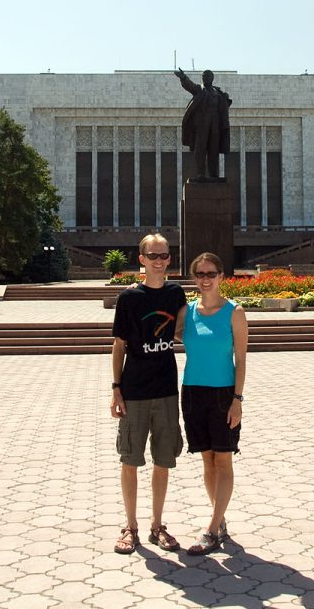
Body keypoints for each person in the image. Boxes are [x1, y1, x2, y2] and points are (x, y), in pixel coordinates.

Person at [110, 233, 188, 554]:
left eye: (164, 255)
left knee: (163, 460)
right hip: (135, 391)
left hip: (167, 389)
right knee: (130, 459)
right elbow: (119, 346)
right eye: (152, 255)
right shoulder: (129, 299)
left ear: (169, 259)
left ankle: (158, 525)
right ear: (141, 260)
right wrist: (116, 389)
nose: (159, 260)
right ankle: (131, 526)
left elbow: (186, 330)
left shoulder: (176, 293)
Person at [176, 252, 248, 555]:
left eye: (211, 273)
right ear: (195, 278)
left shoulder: (235, 312)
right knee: (207, 460)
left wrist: (237, 400)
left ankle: (211, 528)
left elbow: (241, 360)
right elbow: (162, 333)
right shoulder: (186, 312)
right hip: (192, 393)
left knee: (224, 459)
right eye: (200, 274)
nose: (205, 279)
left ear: (222, 276)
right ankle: (220, 521)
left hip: (223, 395)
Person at [173, 68, 231, 181]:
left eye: (207, 76)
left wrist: (225, 99)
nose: (204, 78)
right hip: (201, 125)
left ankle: (213, 174)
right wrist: (183, 77)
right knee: (200, 149)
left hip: (215, 126)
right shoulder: (199, 89)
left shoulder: (218, 93)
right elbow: (189, 86)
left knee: (213, 149)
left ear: (212, 78)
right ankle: (200, 173)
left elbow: (223, 107)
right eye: (203, 76)